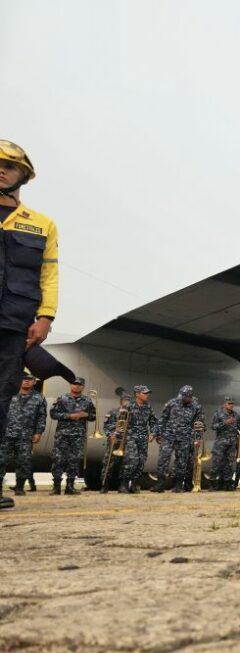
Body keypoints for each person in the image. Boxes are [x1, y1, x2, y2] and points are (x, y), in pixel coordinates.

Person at [0, 141, 58, 447]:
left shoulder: (42, 225)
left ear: (24, 175)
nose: (1, 171)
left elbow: (49, 275)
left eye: (9, 167)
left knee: (2, 396)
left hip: (14, 324)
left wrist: (46, 317)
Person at [1, 372, 46, 496]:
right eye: (23, 379)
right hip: (6, 434)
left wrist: (38, 432)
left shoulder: (39, 398)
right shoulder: (8, 394)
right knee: (1, 460)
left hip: (26, 435)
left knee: (23, 461)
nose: (26, 381)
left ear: (34, 382)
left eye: (29, 379)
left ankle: (19, 487)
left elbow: (41, 416)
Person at [49, 377, 95, 495]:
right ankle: (56, 487)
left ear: (83, 386)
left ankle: (70, 486)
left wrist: (86, 414)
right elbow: (53, 414)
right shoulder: (62, 398)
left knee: (74, 460)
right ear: (71, 385)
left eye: (79, 384)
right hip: (62, 435)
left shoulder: (88, 401)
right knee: (58, 459)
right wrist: (69, 416)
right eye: (74, 384)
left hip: (78, 436)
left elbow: (93, 416)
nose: (77, 386)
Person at [155, 385, 204, 493]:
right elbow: (163, 419)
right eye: (181, 396)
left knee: (181, 462)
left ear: (190, 397)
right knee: (163, 459)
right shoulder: (171, 403)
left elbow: (199, 425)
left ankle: (178, 485)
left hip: (184, 438)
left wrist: (197, 439)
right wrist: (157, 433)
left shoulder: (196, 407)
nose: (182, 398)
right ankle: (160, 484)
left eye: (185, 397)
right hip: (168, 436)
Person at [118, 385, 157, 493]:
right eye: (144, 393)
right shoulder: (128, 406)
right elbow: (120, 422)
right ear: (137, 394)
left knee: (141, 461)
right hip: (130, 437)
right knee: (131, 460)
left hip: (143, 438)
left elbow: (153, 421)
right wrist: (119, 436)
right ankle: (123, 484)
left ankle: (133, 484)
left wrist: (153, 433)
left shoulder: (148, 407)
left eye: (147, 393)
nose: (147, 395)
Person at [101, 395, 131, 493]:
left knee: (126, 464)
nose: (127, 403)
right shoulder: (113, 412)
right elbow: (106, 426)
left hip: (127, 441)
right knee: (109, 463)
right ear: (121, 402)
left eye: (129, 401)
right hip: (114, 440)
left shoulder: (133, 414)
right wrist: (111, 434)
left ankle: (123, 486)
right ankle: (105, 486)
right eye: (125, 400)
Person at [211, 397, 240, 491]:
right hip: (220, 443)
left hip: (232, 443)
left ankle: (227, 484)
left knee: (230, 464)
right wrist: (225, 423)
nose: (231, 405)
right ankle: (213, 484)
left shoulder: (236, 415)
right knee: (217, 463)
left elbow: (239, 428)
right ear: (225, 404)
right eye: (229, 403)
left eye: (232, 403)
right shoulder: (218, 413)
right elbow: (213, 426)